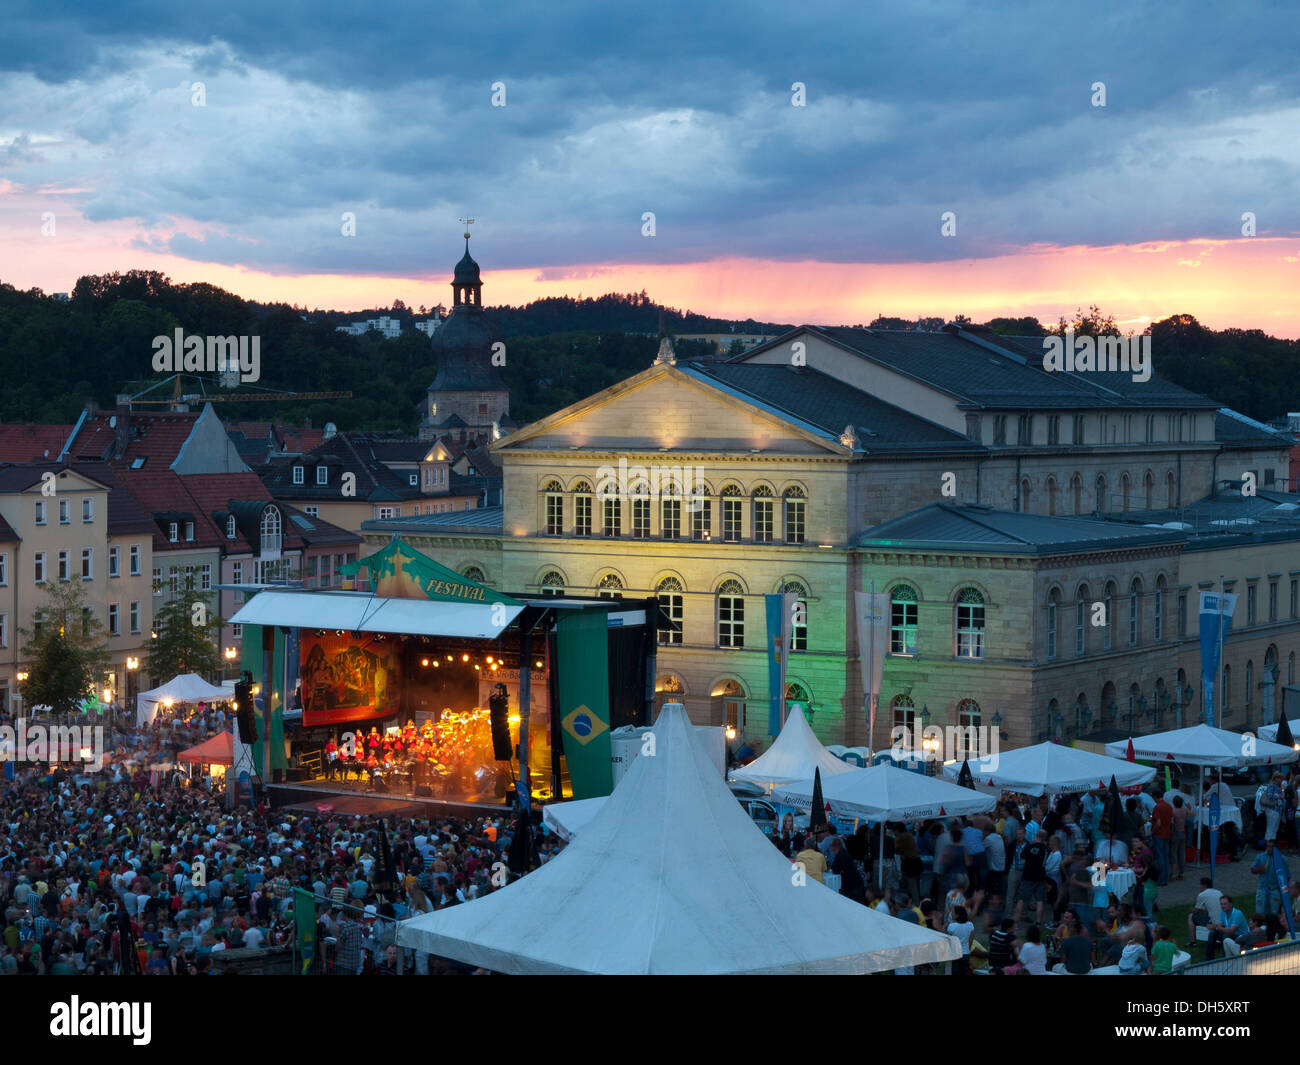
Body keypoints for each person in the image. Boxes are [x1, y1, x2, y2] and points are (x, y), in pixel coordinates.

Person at [1015, 833, 1048, 926]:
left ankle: (1016, 921)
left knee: (1021, 899)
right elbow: (1046, 862)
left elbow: (1022, 856)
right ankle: (1038, 922)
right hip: (1040, 876)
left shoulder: (1029, 846)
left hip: (1027, 875)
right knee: (1039, 900)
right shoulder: (1045, 848)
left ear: (1036, 836)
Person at [1205, 894, 1249, 961]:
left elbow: (1231, 930)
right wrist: (1213, 926)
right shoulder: (1223, 912)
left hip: (1241, 936)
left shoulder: (1237, 913)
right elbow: (1219, 925)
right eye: (1221, 904)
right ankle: (1208, 959)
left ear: (1230, 904)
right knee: (1212, 933)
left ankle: (1224, 959)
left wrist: (1217, 927)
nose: (1222, 906)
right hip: (1231, 934)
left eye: (1225, 904)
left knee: (1226, 935)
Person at [1251, 840, 1289, 917]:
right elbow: (1252, 869)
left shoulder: (1282, 859)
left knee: (1273, 914)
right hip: (1262, 888)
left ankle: (1272, 928)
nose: (1269, 848)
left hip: (1275, 889)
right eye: (1268, 846)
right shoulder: (1260, 856)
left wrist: (1282, 890)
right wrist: (1260, 869)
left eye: (1271, 847)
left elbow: (1287, 876)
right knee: (1260, 913)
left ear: (1276, 848)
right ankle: (1261, 927)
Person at [1186, 877, 1224, 948]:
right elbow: (1213, 907)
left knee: (1190, 916)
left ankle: (1192, 942)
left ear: (1204, 885)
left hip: (1213, 922)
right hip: (1222, 921)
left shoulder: (1202, 895)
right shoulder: (1219, 892)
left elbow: (1195, 911)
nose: (1199, 887)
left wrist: (1191, 909)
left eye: (1200, 885)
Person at [1150, 790, 1173, 886]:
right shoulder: (1169, 806)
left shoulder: (1157, 807)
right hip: (1167, 833)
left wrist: (1153, 831)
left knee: (1160, 858)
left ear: (1155, 797)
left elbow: (1158, 823)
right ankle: (1165, 878)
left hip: (1159, 834)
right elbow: (1172, 821)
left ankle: (1161, 879)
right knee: (1165, 857)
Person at [947, 904, 975, 975]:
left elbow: (949, 941)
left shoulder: (951, 926)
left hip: (955, 954)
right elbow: (970, 941)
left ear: (957, 915)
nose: (951, 914)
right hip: (966, 953)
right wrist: (967, 950)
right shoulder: (970, 925)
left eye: (953, 912)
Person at [1170, 795, 1188, 881]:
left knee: (1174, 854)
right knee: (1182, 853)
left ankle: (1173, 873)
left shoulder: (1173, 812)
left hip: (1175, 833)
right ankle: (1182, 872)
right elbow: (1193, 813)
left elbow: (1172, 823)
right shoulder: (1184, 811)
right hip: (1182, 832)